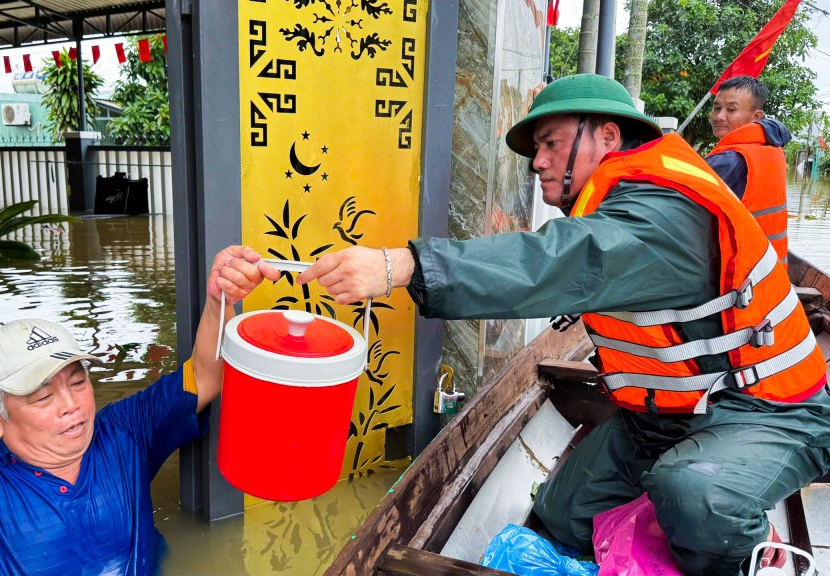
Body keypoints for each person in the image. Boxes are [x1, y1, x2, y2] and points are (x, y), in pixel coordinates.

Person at [297, 74, 830, 575]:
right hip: (667, 411)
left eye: (550, 144)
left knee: (696, 496)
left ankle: (742, 554)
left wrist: (402, 265)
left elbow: (562, 260)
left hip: (766, 410)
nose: (538, 163)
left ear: (608, 135)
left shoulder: (661, 213)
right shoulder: (620, 203)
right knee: (561, 517)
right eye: (536, 152)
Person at [0, 245, 279, 576]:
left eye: (79, 382)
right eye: (43, 397)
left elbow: (206, 377)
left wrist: (219, 300)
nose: (73, 407)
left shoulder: (122, 435)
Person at [706, 75, 792, 267]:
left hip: (739, 275)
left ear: (756, 117)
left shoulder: (729, 160)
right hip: (771, 270)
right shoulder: (772, 148)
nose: (719, 116)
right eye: (717, 107)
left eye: (731, 110)